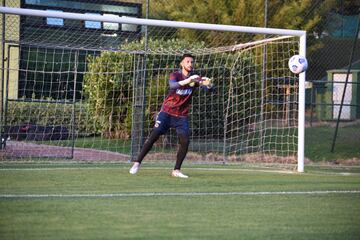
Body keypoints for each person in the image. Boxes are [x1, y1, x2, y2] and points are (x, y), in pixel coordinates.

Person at [129, 53, 213, 178]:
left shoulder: (195, 77)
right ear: (182, 63)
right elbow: (173, 85)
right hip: (166, 113)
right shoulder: (175, 75)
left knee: (185, 141)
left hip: (181, 116)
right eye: (187, 62)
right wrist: (188, 80)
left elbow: (209, 89)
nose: (190, 64)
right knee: (153, 136)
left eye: (192, 62)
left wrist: (209, 84)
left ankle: (176, 170)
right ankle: (137, 163)